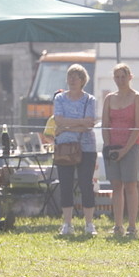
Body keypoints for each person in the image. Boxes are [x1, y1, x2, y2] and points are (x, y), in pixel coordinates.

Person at [101, 63, 139, 237]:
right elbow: (105, 124)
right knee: (116, 186)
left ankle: (132, 226)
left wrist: (125, 150)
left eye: (123, 76)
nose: (120, 80)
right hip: (112, 146)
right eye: (117, 77)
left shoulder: (137, 98)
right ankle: (118, 225)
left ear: (130, 77)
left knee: (130, 185)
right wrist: (108, 146)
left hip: (132, 146)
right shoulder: (109, 98)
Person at [53, 64, 97, 236]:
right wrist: (77, 123)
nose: (72, 79)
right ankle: (67, 224)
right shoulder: (59, 99)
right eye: (70, 76)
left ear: (83, 80)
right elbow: (58, 120)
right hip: (64, 147)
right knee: (66, 184)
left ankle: (89, 224)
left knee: (86, 184)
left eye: (76, 76)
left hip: (86, 147)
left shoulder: (90, 100)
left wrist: (66, 126)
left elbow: (89, 124)